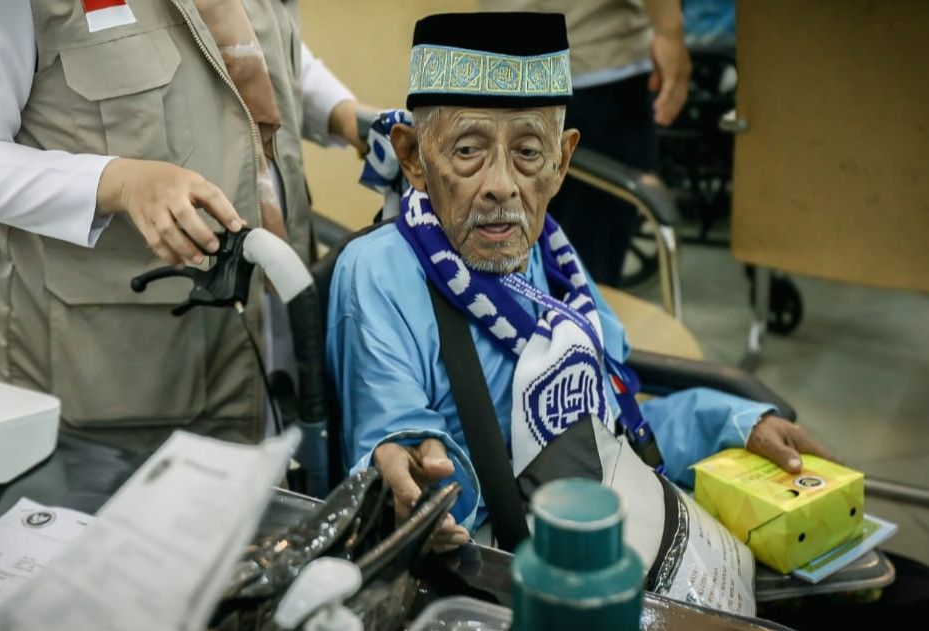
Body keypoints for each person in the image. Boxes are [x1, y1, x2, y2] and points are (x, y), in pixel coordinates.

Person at [326, 10, 833, 554]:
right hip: (494, 564)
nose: (502, 186)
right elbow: (395, 432)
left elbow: (613, 424)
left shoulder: (551, 253)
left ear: (561, 160)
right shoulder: (379, 273)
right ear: (413, 156)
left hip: (604, 520)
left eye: (528, 152)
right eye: (468, 150)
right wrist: (411, 473)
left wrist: (734, 424)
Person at [0, 0, 374, 449]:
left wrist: (345, 115)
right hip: (110, 376)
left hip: (271, 324)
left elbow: (247, 36)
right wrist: (116, 182)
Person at [477, 0, 692, 287]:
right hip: (594, 64)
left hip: (503, 66)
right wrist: (669, 33)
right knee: (584, 274)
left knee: (517, 268)